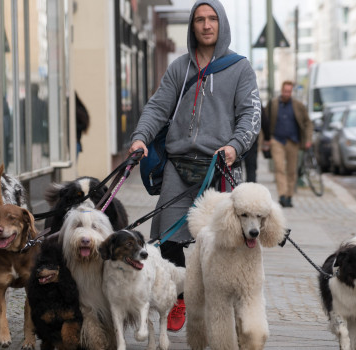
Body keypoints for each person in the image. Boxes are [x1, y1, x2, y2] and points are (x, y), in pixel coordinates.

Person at [128, 0, 260, 332]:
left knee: (221, 240)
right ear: (192, 25)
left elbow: (250, 116)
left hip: (220, 166)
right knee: (170, 237)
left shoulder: (240, 68)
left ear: (221, 24)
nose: (205, 25)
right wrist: (141, 137)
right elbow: (158, 106)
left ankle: (221, 301)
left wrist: (235, 145)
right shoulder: (178, 67)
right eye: (199, 19)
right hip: (179, 165)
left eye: (212, 18)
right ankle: (180, 299)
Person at [262, 80, 312, 208]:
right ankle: (282, 195)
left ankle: (289, 196)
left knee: (291, 170)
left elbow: (307, 123)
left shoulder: (298, 105)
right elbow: (264, 122)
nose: (286, 94)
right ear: (281, 90)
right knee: (279, 168)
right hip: (277, 140)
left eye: (289, 91)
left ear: (292, 92)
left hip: (293, 141)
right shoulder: (273, 104)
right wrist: (266, 140)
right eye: (285, 91)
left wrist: (308, 139)